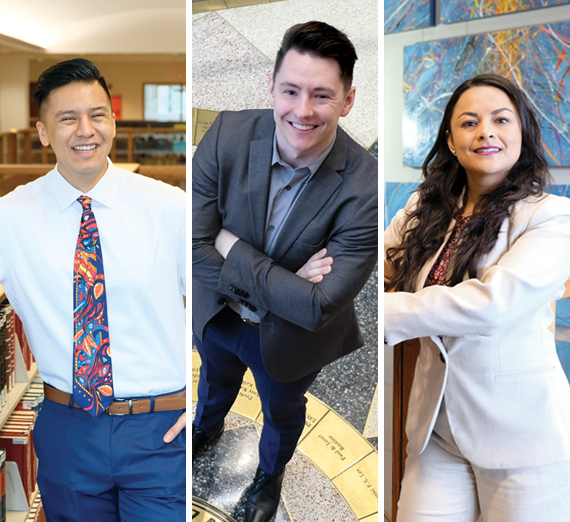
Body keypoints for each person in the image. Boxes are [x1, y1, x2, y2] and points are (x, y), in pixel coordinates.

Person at [192, 21, 378, 522]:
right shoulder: (228, 133)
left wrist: (229, 244)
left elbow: (317, 307)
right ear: (270, 87)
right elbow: (191, 246)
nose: (302, 110)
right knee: (213, 380)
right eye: (290, 90)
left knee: (281, 413)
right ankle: (204, 430)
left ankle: (268, 475)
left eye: (322, 95)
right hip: (219, 310)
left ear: (349, 99)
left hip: (292, 336)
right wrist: (287, 277)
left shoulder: (365, 187)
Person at [0, 59, 186, 521]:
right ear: (43, 132)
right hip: (68, 429)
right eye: (68, 118)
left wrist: (206, 398)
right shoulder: (11, 217)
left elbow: (216, 307)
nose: (86, 130)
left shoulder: (168, 206)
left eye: (97, 115)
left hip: (162, 430)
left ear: (113, 122)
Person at [384, 73, 570, 521]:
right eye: (469, 122)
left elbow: (492, 304)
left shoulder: (552, 217)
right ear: (451, 140)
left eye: (500, 119)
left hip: (523, 439)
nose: (485, 130)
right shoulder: (423, 210)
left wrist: (387, 311)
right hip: (436, 431)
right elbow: (377, 267)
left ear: (521, 132)